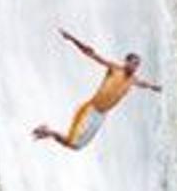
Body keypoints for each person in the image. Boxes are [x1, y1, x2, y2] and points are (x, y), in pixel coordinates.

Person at [32, 28, 161, 150]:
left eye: (137, 65)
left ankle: (48, 132)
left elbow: (145, 85)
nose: (135, 67)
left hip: (101, 116)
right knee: (71, 141)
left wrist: (155, 87)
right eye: (133, 63)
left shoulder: (133, 80)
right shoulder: (114, 68)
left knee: (76, 147)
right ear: (126, 61)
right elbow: (91, 53)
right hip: (90, 110)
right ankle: (48, 131)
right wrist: (72, 38)